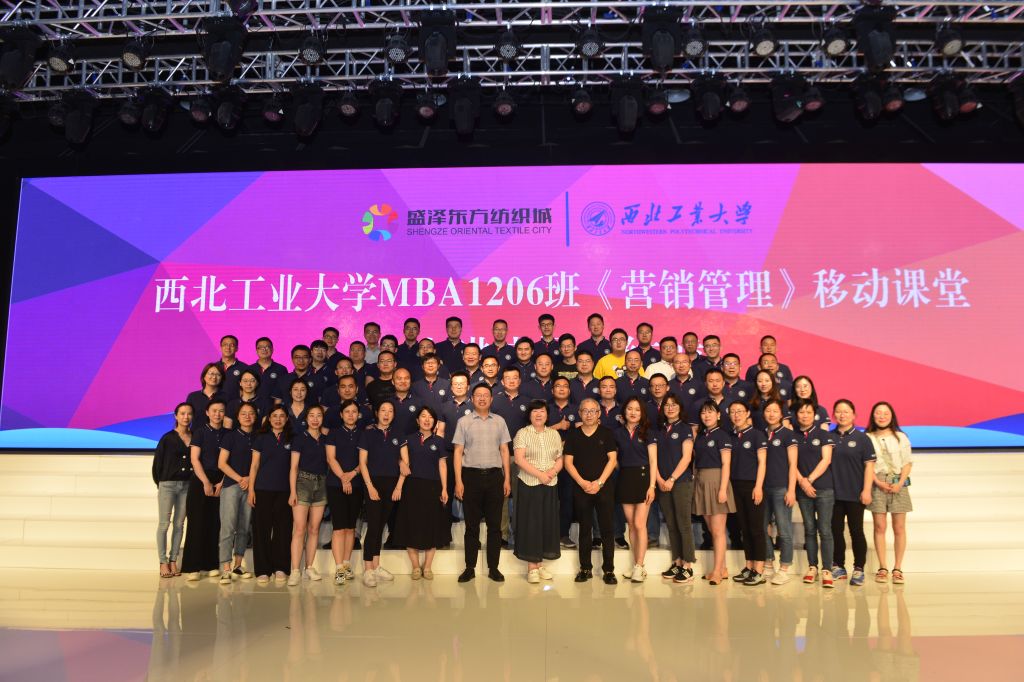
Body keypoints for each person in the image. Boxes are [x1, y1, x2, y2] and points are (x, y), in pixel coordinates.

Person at [453, 383, 512, 583]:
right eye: (478, 395)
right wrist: (459, 481)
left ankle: (493, 568)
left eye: (486, 395)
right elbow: (458, 452)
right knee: (471, 526)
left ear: (491, 399)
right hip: (470, 477)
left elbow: (504, 450)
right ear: (472, 398)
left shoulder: (500, 421)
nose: (482, 398)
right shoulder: (463, 422)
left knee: (495, 526)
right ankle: (469, 567)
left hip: (495, 477)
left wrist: (506, 478)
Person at [563, 398, 618, 584]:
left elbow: (612, 460)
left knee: (607, 530)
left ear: (598, 414)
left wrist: (599, 483)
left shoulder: (607, 433)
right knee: (585, 529)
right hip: (581, 488)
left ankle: (609, 570)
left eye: (593, 411)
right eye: (585, 411)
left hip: (604, 487)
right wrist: (582, 483)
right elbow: (568, 462)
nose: (589, 414)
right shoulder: (573, 435)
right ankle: (585, 568)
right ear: (579, 413)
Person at [394, 407, 450, 580]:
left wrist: (444, 488)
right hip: (412, 486)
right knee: (411, 525)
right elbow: (401, 459)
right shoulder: (408, 439)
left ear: (434, 422)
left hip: (433, 487)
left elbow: (442, 465)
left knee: (431, 526)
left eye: (430, 417)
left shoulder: (439, 441)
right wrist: (400, 462)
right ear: (417, 421)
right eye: (423, 416)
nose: (427, 420)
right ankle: (415, 567)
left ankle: (427, 567)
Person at [513, 400, 563, 583]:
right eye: (534, 411)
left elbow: (560, 458)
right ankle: (532, 567)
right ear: (529, 415)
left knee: (546, 522)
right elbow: (519, 459)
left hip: (550, 483)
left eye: (542, 411)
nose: (538, 414)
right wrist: (540, 474)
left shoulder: (554, 434)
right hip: (529, 483)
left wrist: (551, 472)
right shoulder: (523, 433)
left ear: (547, 415)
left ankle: (540, 564)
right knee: (531, 524)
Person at [358, 401, 405, 587]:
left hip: (392, 484)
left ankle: (376, 566)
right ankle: (368, 569)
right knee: (373, 526)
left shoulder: (398, 434)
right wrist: (369, 486)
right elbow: (362, 463)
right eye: (383, 410)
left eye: (390, 411)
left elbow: (405, 462)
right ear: (377, 413)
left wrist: (398, 486)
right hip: (373, 483)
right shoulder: (368, 434)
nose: (386, 414)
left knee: (381, 525)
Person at [830, 399, 876, 587]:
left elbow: (869, 467)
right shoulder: (829, 437)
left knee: (856, 531)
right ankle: (838, 566)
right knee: (835, 530)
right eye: (838, 411)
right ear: (834, 415)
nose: (842, 415)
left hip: (856, 494)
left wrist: (866, 490)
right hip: (833, 494)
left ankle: (859, 568)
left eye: (846, 411)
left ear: (854, 415)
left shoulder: (862, 438)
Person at [866, 401, 913, 586]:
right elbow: (866, 464)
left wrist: (900, 483)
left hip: (898, 484)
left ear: (892, 416)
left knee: (899, 527)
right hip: (877, 483)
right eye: (878, 413)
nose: (882, 416)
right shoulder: (867, 437)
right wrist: (877, 482)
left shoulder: (901, 437)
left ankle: (898, 568)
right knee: (879, 527)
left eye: (886, 413)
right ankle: (883, 567)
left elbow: (907, 462)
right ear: (873, 415)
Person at [792, 398, 836, 588]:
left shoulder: (824, 434)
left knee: (824, 530)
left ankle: (827, 569)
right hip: (802, 489)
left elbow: (826, 460)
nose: (805, 415)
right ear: (796, 415)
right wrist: (802, 482)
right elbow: (790, 463)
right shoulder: (792, 436)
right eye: (801, 412)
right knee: (809, 529)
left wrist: (809, 480)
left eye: (808, 412)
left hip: (824, 488)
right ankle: (812, 567)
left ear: (815, 415)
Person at [691, 400, 736, 585]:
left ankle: (717, 571)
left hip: (717, 482)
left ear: (718, 415)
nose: (706, 415)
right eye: (703, 412)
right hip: (701, 482)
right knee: (712, 529)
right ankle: (722, 568)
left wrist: (723, 488)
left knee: (718, 531)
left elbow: (726, 463)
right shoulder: (700, 436)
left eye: (710, 412)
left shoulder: (722, 435)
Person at [182, 399, 228, 580]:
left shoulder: (229, 434)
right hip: (201, 480)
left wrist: (222, 483)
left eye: (221, 411)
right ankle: (192, 567)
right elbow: (195, 459)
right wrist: (206, 483)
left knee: (214, 523)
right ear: (207, 413)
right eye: (214, 410)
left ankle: (211, 564)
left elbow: (231, 461)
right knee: (196, 523)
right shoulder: (200, 432)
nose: (218, 414)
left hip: (221, 480)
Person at [653, 394, 696, 584]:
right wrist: (659, 480)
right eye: (667, 405)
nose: (670, 408)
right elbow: (653, 458)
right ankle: (677, 561)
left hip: (680, 482)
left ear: (680, 407)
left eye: (674, 404)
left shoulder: (685, 428)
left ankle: (688, 565)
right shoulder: (658, 430)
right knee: (671, 524)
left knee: (683, 523)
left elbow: (687, 458)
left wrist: (671, 479)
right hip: (662, 483)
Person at [249, 406, 294, 583]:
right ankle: (262, 569)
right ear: (269, 418)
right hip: (262, 489)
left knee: (283, 530)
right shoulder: (260, 438)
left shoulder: (292, 438)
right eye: (274, 416)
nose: (278, 419)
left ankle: (281, 567)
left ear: (287, 419)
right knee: (262, 530)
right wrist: (251, 490)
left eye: (282, 416)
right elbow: (254, 466)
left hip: (285, 491)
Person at [615, 396, 658, 582]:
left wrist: (652, 486)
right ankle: (636, 565)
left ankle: (640, 565)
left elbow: (653, 461)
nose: (633, 412)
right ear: (624, 411)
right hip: (625, 478)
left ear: (642, 413)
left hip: (643, 478)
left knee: (640, 524)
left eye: (637, 410)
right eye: (630, 409)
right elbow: (615, 459)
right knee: (631, 524)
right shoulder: (617, 433)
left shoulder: (648, 432)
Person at [726, 401, 769, 586]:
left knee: (756, 529)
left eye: (739, 411)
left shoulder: (757, 435)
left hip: (753, 486)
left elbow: (762, 463)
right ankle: (749, 566)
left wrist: (758, 487)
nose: (736, 415)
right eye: (733, 412)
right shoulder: (731, 436)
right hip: (735, 486)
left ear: (747, 413)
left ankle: (759, 570)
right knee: (744, 528)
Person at [287, 405, 329, 586]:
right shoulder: (299, 438)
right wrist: (292, 491)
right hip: (302, 483)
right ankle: (295, 570)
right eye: (311, 415)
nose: (315, 419)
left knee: (314, 529)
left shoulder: (326, 439)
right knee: (299, 528)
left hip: (322, 483)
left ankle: (309, 567)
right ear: (306, 418)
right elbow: (293, 467)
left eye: (319, 415)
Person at [325, 400, 365, 585]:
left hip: (356, 484)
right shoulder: (333, 433)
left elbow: (365, 460)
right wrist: (343, 477)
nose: (350, 415)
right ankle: (339, 567)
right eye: (347, 411)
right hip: (336, 484)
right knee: (339, 527)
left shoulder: (363, 434)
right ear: (341, 415)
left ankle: (347, 563)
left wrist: (352, 474)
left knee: (350, 527)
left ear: (358, 415)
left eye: (354, 411)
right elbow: (330, 458)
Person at [216, 403, 257, 583]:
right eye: (243, 413)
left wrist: (249, 479)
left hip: (251, 487)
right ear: (238, 417)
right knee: (228, 527)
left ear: (255, 416)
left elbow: (259, 464)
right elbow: (222, 463)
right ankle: (225, 567)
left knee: (244, 527)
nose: (247, 416)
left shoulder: (259, 437)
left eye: (251, 413)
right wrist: (241, 479)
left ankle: (238, 566)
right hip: (232, 486)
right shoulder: (230, 436)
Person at [760, 399, 798, 585]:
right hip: (763, 488)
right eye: (768, 410)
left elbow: (793, 464)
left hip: (781, 487)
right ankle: (768, 563)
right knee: (762, 527)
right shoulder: (761, 434)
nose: (771, 414)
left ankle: (784, 568)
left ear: (782, 414)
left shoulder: (788, 435)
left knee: (784, 529)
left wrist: (791, 490)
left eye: (775, 411)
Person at [153, 402, 193, 578]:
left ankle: (173, 559)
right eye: (182, 413)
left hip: (187, 486)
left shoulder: (195, 437)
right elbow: (157, 464)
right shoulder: (167, 438)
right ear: (176, 416)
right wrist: (162, 484)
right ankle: (163, 562)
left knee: (179, 524)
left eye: (189, 413)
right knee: (164, 524)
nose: (186, 417)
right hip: (168, 485)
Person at [250, 337, 288, 407]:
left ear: (272, 349)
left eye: (267, 347)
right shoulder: (250, 369)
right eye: (261, 347)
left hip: (274, 409)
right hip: (252, 408)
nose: (264, 349)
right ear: (256, 351)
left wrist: (277, 409)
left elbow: (284, 391)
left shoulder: (281, 369)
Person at [186, 363, 225, 428]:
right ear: (204, 376)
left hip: (220, 433)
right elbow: (187, 418)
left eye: (218, 375)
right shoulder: (193, 397)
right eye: (211, 374)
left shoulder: (227, 397)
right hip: (196, 433)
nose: (214, 377)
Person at [216, 335, 247, 399]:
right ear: (221, 347)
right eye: (225, 345)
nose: (228, 347)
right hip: (216, 403)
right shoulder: (214, 367)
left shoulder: (245, 368)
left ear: (236, 348)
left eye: (231, 345)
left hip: (236, 404)